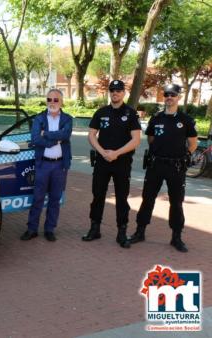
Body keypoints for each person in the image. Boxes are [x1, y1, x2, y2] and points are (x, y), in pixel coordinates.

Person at [131, 84, 198, 252]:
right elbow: (151, 139)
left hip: (176, 166)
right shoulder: (156, 118)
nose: (169, 97)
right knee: (147, 198)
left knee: (176, 202)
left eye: (173, 94)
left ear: (179, 97)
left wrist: (183, 156)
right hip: (156, 165)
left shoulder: (185, 120)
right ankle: (140, 231)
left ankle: (176, 237)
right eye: (167, 94)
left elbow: (193, 144)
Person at [82, 80, 141, 248]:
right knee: (98, 195)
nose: (115, 93)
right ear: (110, 92)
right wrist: (102, 152)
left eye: (118, 90)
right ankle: (95, 229)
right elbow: (92, 135)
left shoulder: (130, 113)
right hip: (102, 161)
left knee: (122, 198)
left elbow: (136, 139)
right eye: (113, 90)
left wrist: (116, 153)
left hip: (122, 162)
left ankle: (121, 232)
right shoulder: (101, 112)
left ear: (124, 93)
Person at [21, 89, 73, 242]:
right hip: (43, 164)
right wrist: (55, 140)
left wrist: (47, 134)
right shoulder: (40, 118)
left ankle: (49, 229)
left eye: (56, 100)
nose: (52, 102)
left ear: (62, 101)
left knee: (55, 199)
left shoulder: (67, 119)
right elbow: (36, 139)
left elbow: (66, 135)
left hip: (59, 165)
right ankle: (32, 229)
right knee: (37, 198)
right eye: (49, 99)